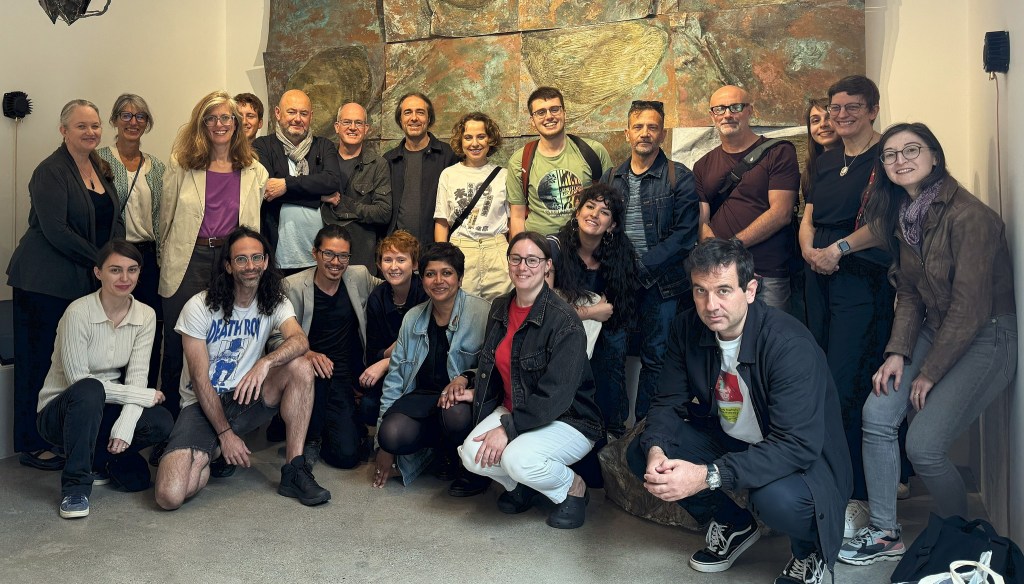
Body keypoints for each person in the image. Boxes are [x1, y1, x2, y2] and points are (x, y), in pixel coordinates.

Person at [839, 123, 1017, 565]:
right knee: (877, 413)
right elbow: (910, 292)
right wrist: (898, 352)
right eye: (890, 154)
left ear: (934, 156)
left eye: (911, 150)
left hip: (987, 334)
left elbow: (970, 309)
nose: (900, 160)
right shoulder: (907, 213)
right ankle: (885, 533)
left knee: (924, 446)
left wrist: (930, 372)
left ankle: (959, 536)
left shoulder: (970, 216)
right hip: (934, 328)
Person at [626, 238, 852, 582]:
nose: (711, 305)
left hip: (803, 461)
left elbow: (797, 445)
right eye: (700, 291)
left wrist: (706, 475)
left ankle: (810, 550)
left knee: (773, 499)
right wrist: (656, 450)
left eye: (723, 290)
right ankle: (734, 524)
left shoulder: (788, 344)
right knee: (643, 451)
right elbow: (667, 403)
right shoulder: (687, 328)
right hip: (735, 441)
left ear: (750, 290)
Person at [154, 226, 330, 509]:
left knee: (301, 366)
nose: (251, 266)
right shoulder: (199, 307)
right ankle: (212, 451)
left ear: (266, 261)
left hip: (246, 398)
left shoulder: (274, 302)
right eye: (241, 259)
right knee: (169, 496)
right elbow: (200, 381)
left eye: (257, 257)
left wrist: (266, 362)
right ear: (228, 265)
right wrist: (225, 435)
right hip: (202, 405)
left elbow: (300, 341)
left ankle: (294, 470)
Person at [799, 76, 895, 538]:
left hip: (860, 275)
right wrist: (808, 250)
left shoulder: (886, 158)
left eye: (852, 107)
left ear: (873, 110)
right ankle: (828, 481)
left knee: (848, 381)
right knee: (820, 376)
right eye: (835, 107)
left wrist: (836, 250)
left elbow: (886, 222)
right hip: (818, 274)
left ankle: (855, 493)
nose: (841, 115)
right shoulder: (827, 159)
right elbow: (809, 215)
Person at [7, 99, 124, 471]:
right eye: (81, 126)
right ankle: (31, 443)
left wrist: (117, 258)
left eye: (95, 125)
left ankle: (63, 435)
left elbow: (111, 218)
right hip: (42, 282)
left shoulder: (98, 167)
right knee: (38, 361)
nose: (90, 132)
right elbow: (56, 230)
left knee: (68, 363)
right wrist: (103, 261)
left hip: (78, 280)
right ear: (63, 130)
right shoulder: (50, 171)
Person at [459, 232, 603, 529]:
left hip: (568, 419)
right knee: (471, 455)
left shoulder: (564, 320)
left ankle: (573, 488)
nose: (523, 266)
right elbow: (493, 364)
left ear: (548, 265)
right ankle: (522, 486)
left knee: (517, 459)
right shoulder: (500, 307)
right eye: (516, 259)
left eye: (532, 260)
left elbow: (556, 396)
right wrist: (474, 389)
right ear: (508, 263)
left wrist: (508, 428)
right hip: (517, 409)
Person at [36, 240, 173, 519]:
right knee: (89, 389)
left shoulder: (145, 315)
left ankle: (100, 457)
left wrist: (125, 425)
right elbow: (78, 380)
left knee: (161, 421)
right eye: (115, 270)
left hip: (104, 410)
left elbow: (137, 377)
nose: (125, 278)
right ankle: (75, 488)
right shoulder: (78, 312)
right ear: (98, 273)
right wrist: (140, 395)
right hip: (61, 414)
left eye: (132, 270)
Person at [159, 90, 268, 422]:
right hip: (188, 259)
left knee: (225, 340)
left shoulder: (254, 170)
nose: (219, 124)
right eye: (212, 118)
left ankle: (220, 420)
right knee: (178, 341)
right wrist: (166, 258)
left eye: (226, 118)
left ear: (236, 123)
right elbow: (165, 219)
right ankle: (172, 421)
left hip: (230, 263)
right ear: (201, 123)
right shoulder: (181, 164)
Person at [601, 99, 701, 422]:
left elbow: (685, 236)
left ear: (662, 134)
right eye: (638, 127)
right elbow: (599, 228)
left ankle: (646, 429)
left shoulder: (678, 177)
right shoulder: (611, 177)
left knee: (657, 356)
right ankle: (614, 428)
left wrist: (640, 268)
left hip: (664, 285)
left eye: (652, 127)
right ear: (627, 133)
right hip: (618, 284)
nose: (645, 133)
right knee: (611, 353)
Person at [372, 242, 490, 497]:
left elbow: (492, 368)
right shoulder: (413, 318)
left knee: (454, 413)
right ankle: (439, 452)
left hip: (461, 401)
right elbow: (395, 379)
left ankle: (470, 468)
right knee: (390, 435)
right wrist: (383, 447)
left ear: (460, 277)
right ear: (422, 279)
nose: (438, 281)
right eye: (430, 274)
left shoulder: (482, 312)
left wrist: (465, 377)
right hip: (423, 397)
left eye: (446, 273)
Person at [274, 224, 380, 469]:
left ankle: (333, 428)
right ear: (315, 253)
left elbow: (392, 287)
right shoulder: (291, 286)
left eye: (343, 256)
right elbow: (275, 338)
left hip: (343, 373)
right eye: (329, 254)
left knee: (347, 457)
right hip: (308, 372)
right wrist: (306, 353)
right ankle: (311, 437)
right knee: (314, 378)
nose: (336, 262)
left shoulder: (359, 276)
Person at [693, 85, 800, 310]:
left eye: (735, 107)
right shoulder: (702, 165)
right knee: (723, 333)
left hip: (767, 274)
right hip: (721, 274)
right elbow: (701, 221)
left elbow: (781, 213)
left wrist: (732, 247)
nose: (727, 114)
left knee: (769, 332)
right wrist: (720, 258)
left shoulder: (778, 152)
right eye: (720, 109)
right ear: (712, 115)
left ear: (750, 110)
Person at [547, 184, 638, 438]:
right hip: (556, 329)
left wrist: (598, 314)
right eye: (589, 206)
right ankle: (568, 422)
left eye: (604, 212)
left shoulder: (619, 254)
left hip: (599, 331)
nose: (595, 214)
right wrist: (591, 312)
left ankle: (611, 430)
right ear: (577, 213)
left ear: (612, 226)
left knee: (614, 341)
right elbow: (544, 309)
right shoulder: (553, 247)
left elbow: (614, 309)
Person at [97, 93, 166, 389]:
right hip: (114, 255)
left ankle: (142, 394)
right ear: (114, 120)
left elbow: (163, 215)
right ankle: (111, 394)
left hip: (148, 258)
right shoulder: (98, 160)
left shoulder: (158, 167)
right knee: (112, 326)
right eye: (126, 115)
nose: (133, 122)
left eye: (140, 117)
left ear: (147, 123)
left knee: (148, 328)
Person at [253, 89, 341, 275]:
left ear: (311, 116)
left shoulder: (324, 146)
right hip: (278, 255)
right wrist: (318, 198)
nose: (297, 119)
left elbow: (331, 181)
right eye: (291, 112)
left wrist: (286, 185)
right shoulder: (262, 146)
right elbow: (268, 191)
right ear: (278, 113)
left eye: (304, 113)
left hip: (318, 254)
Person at [506, 86, 612, 237]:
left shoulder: (594, 152)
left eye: (554, 109)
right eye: (541, 112)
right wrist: (519, 249)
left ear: (564, 113)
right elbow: (517, 216)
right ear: (532, 120)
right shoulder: (520, 160)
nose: (549, 116)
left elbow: (611, 204)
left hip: (583, 244)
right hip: (539, 246)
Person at [433, 111, 511, 301]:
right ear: (460, 141)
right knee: (461, 309)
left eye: (481, 136)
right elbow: (442, 222)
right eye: (468, 137)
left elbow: (512, 220)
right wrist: (443, 261)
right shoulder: (449, 175)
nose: (474, 143)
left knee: (500, 311)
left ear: (490, 139)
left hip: (496, 250)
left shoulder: (504, 175)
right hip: (461, 249)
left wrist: (513, 255)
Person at [358, 231, 429, 428]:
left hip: (421, 372)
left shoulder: (425, 293)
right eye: (387, 260)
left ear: (415, 264)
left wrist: (387, 360)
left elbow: (424, 345)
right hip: (393, 372)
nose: (394, 266)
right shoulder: (377, 298)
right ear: (379, 265)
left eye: (401, 259)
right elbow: (373, 351)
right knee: (367, 408)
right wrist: (391, 354)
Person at [322, 102, 392, 270]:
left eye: (358, 123)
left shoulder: (378, 165)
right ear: (337, 127)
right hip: (325, 256)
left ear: (366, 128)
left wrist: (344, 203)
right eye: (347, 122)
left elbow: (383, 213)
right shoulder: (322, 161)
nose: (352, 128)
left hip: (361, 257)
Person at [383, 92, 458, 244]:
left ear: (429, 118)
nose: (414, 118)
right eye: (407, 112)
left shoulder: (449, 155)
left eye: (420, 112)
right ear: (400, 119)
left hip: (436, 246)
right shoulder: (388, 160)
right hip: (398, 249)